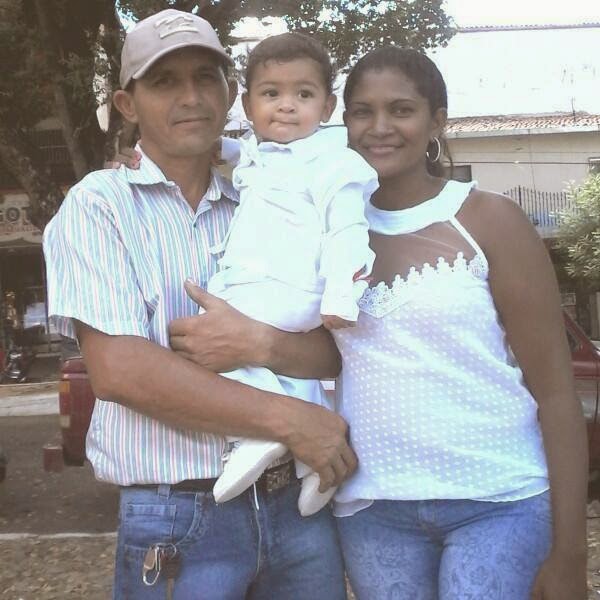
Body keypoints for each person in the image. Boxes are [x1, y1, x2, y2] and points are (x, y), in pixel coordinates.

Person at [43, 9, 355, 600]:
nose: (190, 97)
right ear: (127, 104)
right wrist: (291, 420)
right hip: (178, 515)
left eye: (205, 77)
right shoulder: (100, 205)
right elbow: (121, 371)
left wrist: (259, 344)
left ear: (231, 92)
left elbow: (336, 348)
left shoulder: (269, 189)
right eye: (164, 81)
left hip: (296, 506)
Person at [330, 47, 588, 599]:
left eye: (401, 109)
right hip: (373, 505)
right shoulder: (328, 227)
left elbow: (556, 392)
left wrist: (571, 553)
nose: (380, 127)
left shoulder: (488, 219)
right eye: (362, 112)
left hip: (498, 499)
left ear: (436, 122)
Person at [205, 32, 378, 515]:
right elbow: (241, 156)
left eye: (303, 94)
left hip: (290, 286)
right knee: (280, 363)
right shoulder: (264, 152)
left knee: (209, 333)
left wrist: (342, 294)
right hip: (271, 286)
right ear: (248, 105)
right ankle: (317, 464)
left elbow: (348, 229)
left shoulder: (335, 163)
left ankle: (256, 435)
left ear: (327, 106)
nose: (286, 106)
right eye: (271, 93)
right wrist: (219, 149)